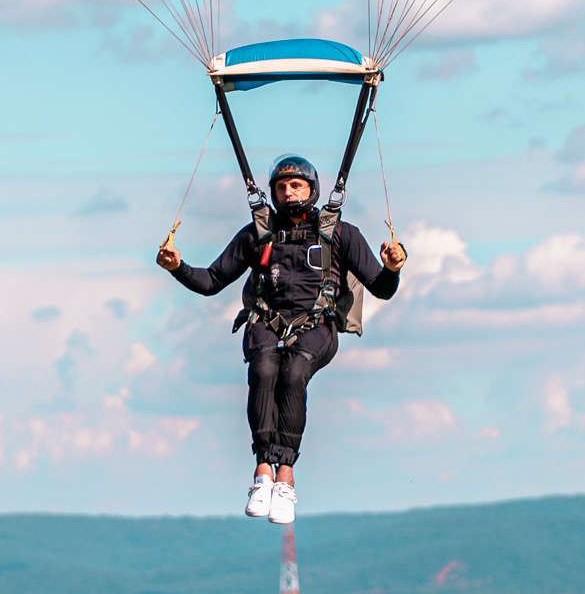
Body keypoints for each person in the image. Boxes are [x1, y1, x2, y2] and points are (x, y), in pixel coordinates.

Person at [157, 154, 404, 524]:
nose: (288, 193)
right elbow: (211, 281)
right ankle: (263, 475)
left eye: (296, 186)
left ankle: (285, 478)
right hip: (266, 321)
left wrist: (393, 267)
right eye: (282, 187)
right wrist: (176, 267)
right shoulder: (257, 234)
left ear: (312, 189)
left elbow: (381, 288)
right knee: (263, 369)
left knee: (293, 372)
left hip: (317, 324)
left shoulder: (340, 233)